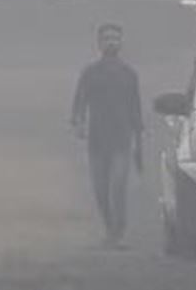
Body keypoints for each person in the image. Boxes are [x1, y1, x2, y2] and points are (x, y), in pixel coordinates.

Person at [71, 23, 144, 248]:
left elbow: (136, 111)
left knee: (117, 188)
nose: (111, 42)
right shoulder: (90, 73)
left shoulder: (129, 75)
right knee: (101, 191)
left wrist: (138, 145)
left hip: (122, 140)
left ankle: (117, 233)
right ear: (99, 43)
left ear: (121, 43)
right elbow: (79, 101)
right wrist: (79, 122)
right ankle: (110, 229)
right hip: (97, 141)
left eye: (115, 38)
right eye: (107, 38)